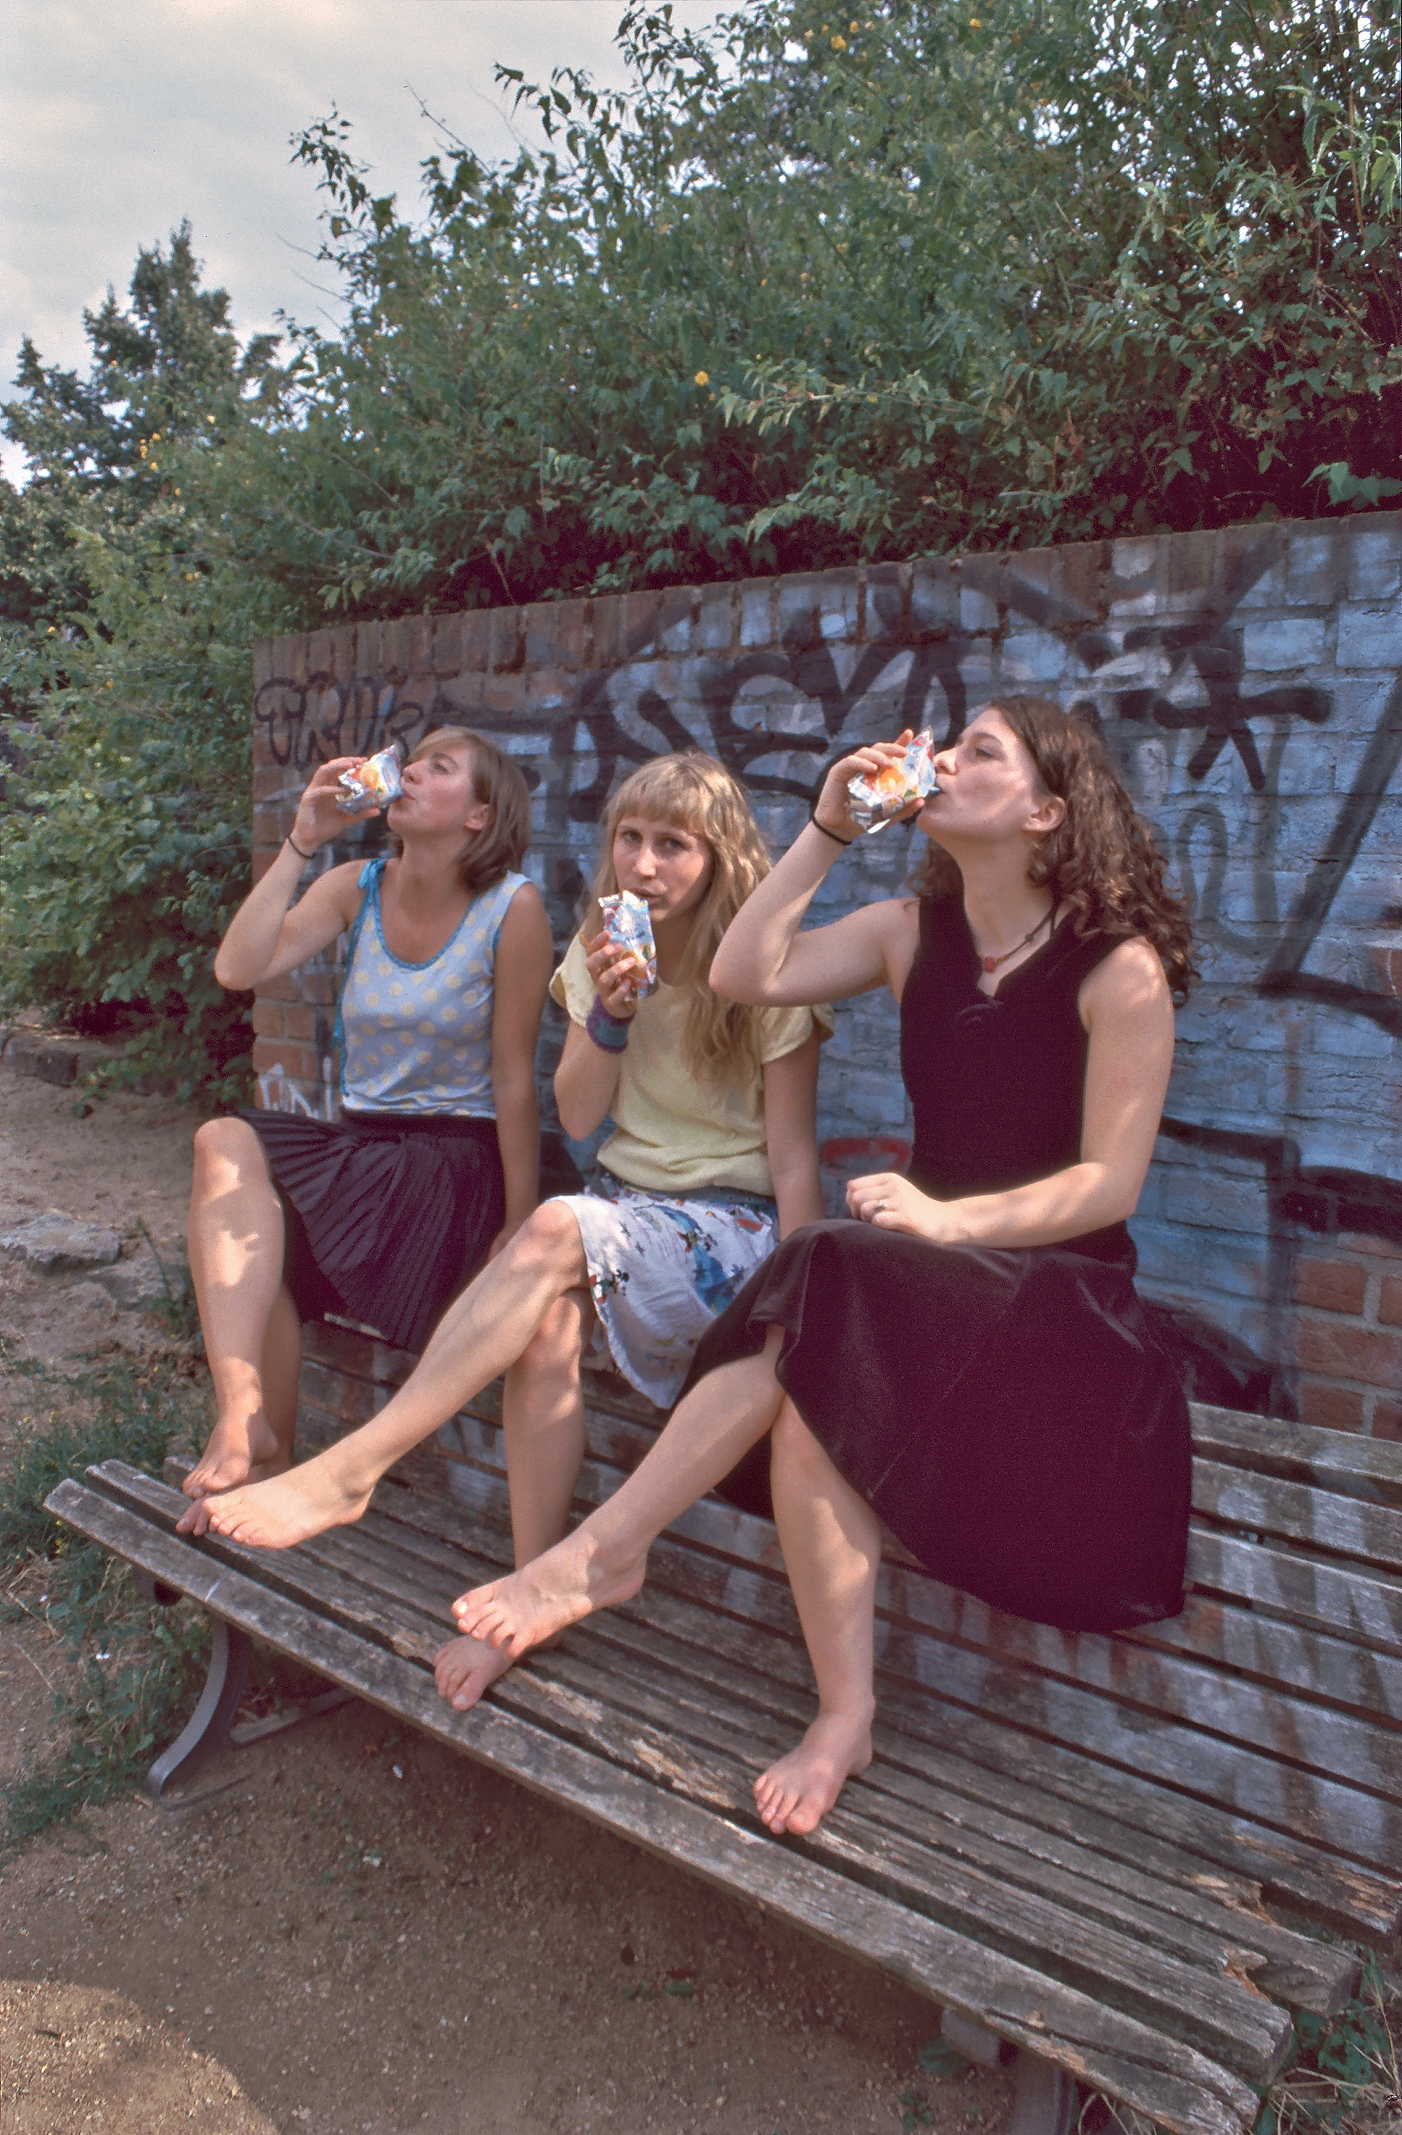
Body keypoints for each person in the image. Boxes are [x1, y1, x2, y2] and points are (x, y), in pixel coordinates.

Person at [423, 696, 1195, 1839]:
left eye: (980, 750)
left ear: (1046, 807)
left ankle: (603, 1551)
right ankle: (845, 1713)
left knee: (828, 1260)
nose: (944, 760)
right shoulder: (903, 928)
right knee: (811, 1381)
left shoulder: (1115, 968)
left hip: (1060, 1295)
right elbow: (744, 970)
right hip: (925, 1283)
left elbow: (1109, 1184)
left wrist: (941, 1221)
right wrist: (828, 825)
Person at [178, 750, 831, 1717]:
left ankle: (355, 1467)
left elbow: (791, 1161)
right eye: (631, 839)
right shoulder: (600, 947)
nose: (645, 863)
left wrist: (802, 1289)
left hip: (730, 1227)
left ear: (720, 856)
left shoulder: (764, 967)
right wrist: (609, 1015)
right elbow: (576, 1115)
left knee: (557, 1225)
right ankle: (531, 1597)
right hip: (628, 1210)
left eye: (674, 846)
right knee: (546, 1334)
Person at [180, 727, 553, 1503]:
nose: (410, 772)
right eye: (411, 761)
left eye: (439, 768)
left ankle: (265, 1464)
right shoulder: (357, 882)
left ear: (479, 815)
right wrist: (302, 839)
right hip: (363, 1151)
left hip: (449, 1167)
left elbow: (516, 1078)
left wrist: (517, 1222)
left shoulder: (511, 908)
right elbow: (237, 968)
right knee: (225, 1147)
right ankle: (249, 1427)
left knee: (272, 1225)